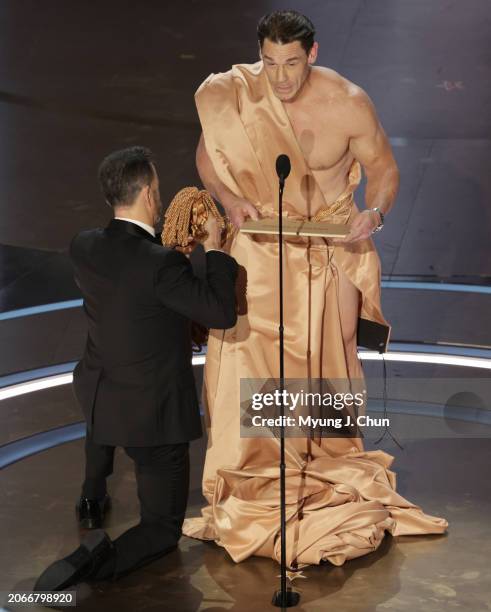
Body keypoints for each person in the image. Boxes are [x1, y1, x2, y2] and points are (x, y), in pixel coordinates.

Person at [182, 10, 447, 568]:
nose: (279, 78)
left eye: (292, 63)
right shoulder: (238, 95)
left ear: (314, 53)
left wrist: (374, 212)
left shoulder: (349, 102)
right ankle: (256, 464)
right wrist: (229, 202)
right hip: (259, 240)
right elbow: (208, 158)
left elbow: (387, 170)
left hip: (331, 243)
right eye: (270, 63)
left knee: (332, 357)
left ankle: (323, 455)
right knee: (248, 357)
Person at [34, 146, 238, 591]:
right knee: (161, 529)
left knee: (100, 430)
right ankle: (89, 570)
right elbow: (220, 312)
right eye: (158, 189)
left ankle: (92, 494)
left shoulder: (83, 245)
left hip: (99, 394)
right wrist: (215, 247)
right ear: (149, 193)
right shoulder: (163, 265)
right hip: (152, 414)